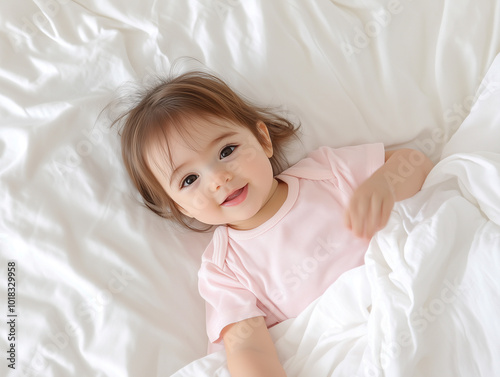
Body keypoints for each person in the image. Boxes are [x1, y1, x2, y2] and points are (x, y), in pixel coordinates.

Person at [112, 70, 433, 377]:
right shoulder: (224, 269)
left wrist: (385, 185)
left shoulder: (326, 173)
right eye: (190, 179)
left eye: (226, 150)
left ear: (263, 139)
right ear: (180, 208)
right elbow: (248, 349)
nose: (218, 179)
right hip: (343, 344)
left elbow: (415, 162)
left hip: (408, 294)